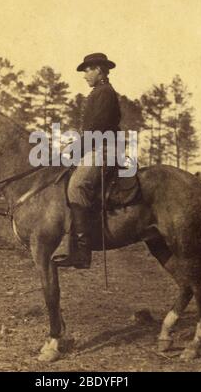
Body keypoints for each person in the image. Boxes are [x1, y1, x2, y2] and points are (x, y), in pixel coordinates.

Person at [54, 53, 121, 269]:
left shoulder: (105, 93)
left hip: (104, 149)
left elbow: (97, 131)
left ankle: (82, 252)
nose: (84, 75)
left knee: (76, 186)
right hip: (96, 147)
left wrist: (73, 151)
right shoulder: (98, 92)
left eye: (87, 70)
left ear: (99, 70)